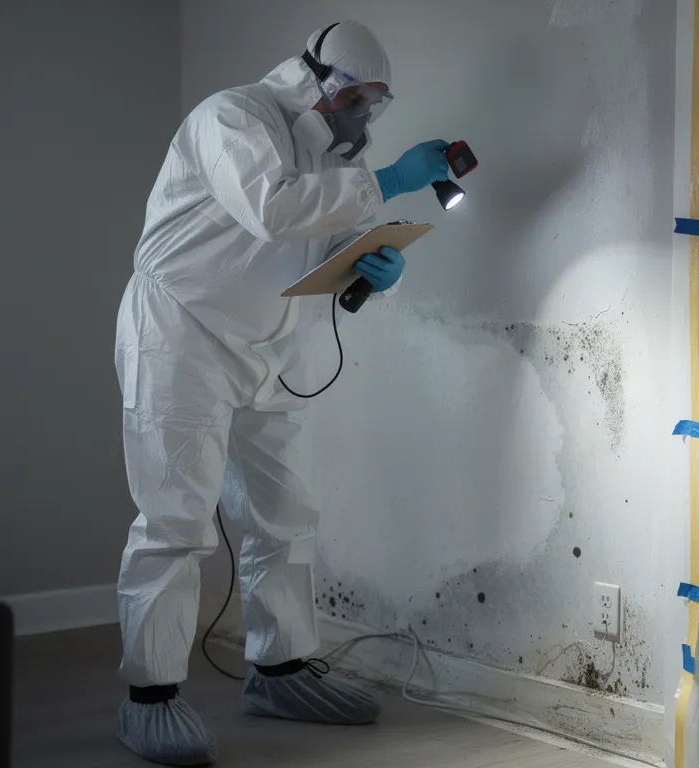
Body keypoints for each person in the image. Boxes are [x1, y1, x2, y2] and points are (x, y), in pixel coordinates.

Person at [112, 20, 449, 766]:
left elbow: (310, 240)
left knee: (286, 511)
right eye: (359, 96)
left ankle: (281, 669)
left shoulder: (319, 153)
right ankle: (150, 697)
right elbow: (271, 208)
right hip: (179, 332)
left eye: (377, 102)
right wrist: (389, 179)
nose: (364, 114)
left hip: (263, 343)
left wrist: (367, 262)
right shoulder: (230, 117)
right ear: (316, 77)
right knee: (176, 519)